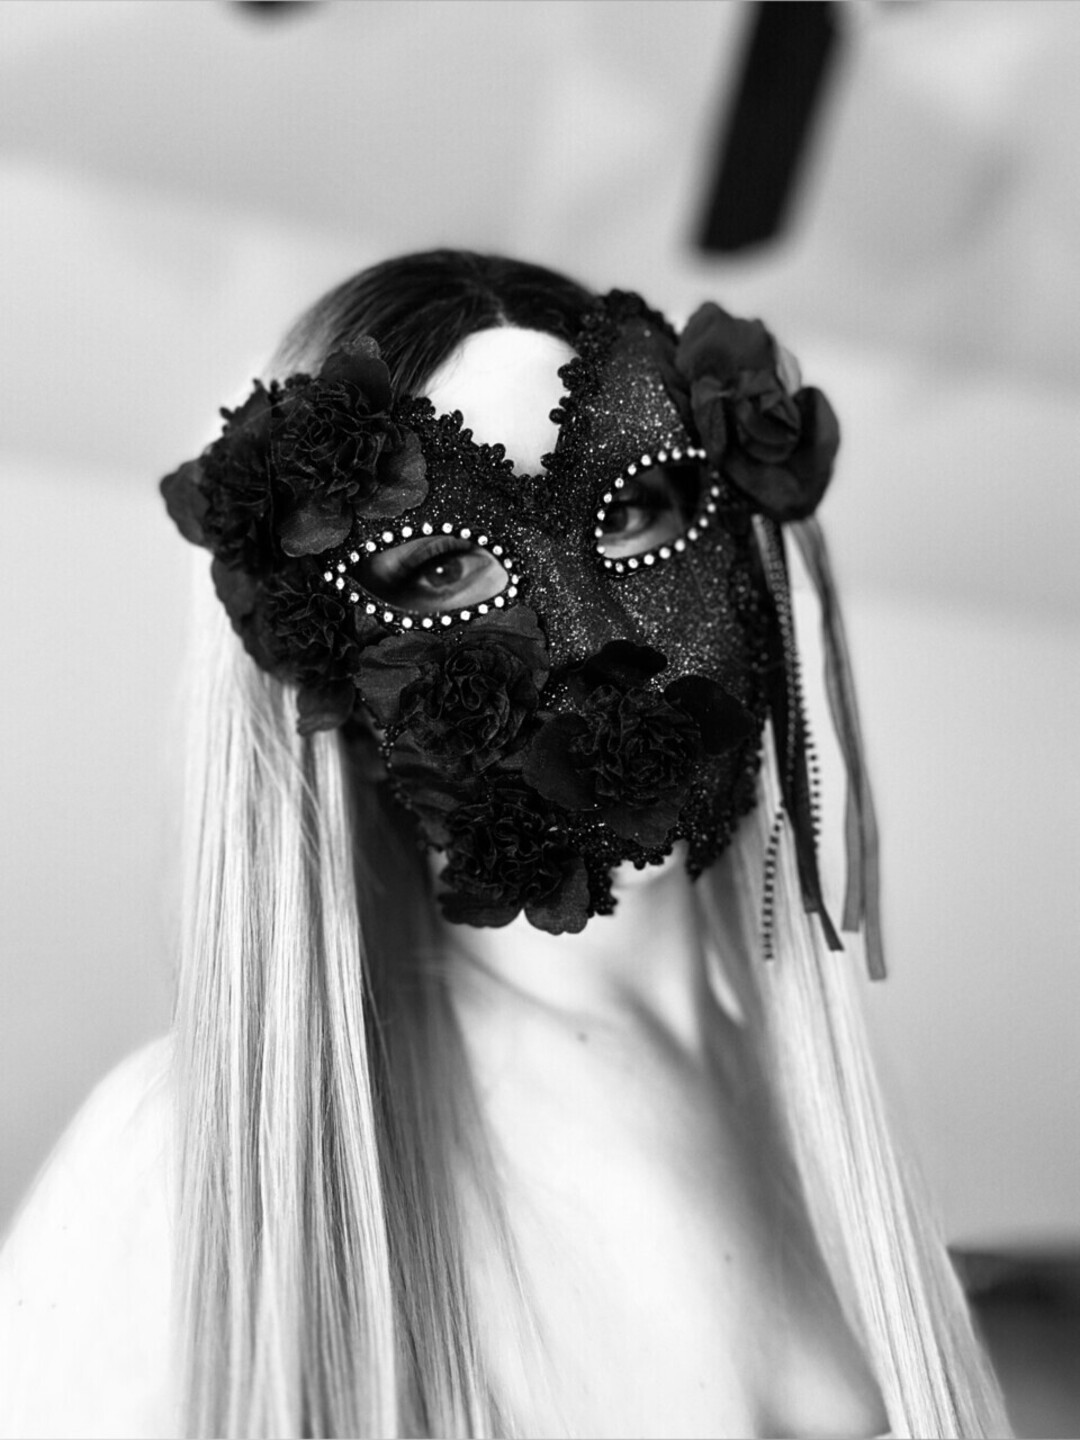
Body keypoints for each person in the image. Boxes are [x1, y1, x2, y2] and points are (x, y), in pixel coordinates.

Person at [0, 251, 1009, 1439]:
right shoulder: (195, 1170)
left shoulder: (831, 1135)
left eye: (632, 513)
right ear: (316, 660)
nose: (594, 641)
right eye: (442, 567)